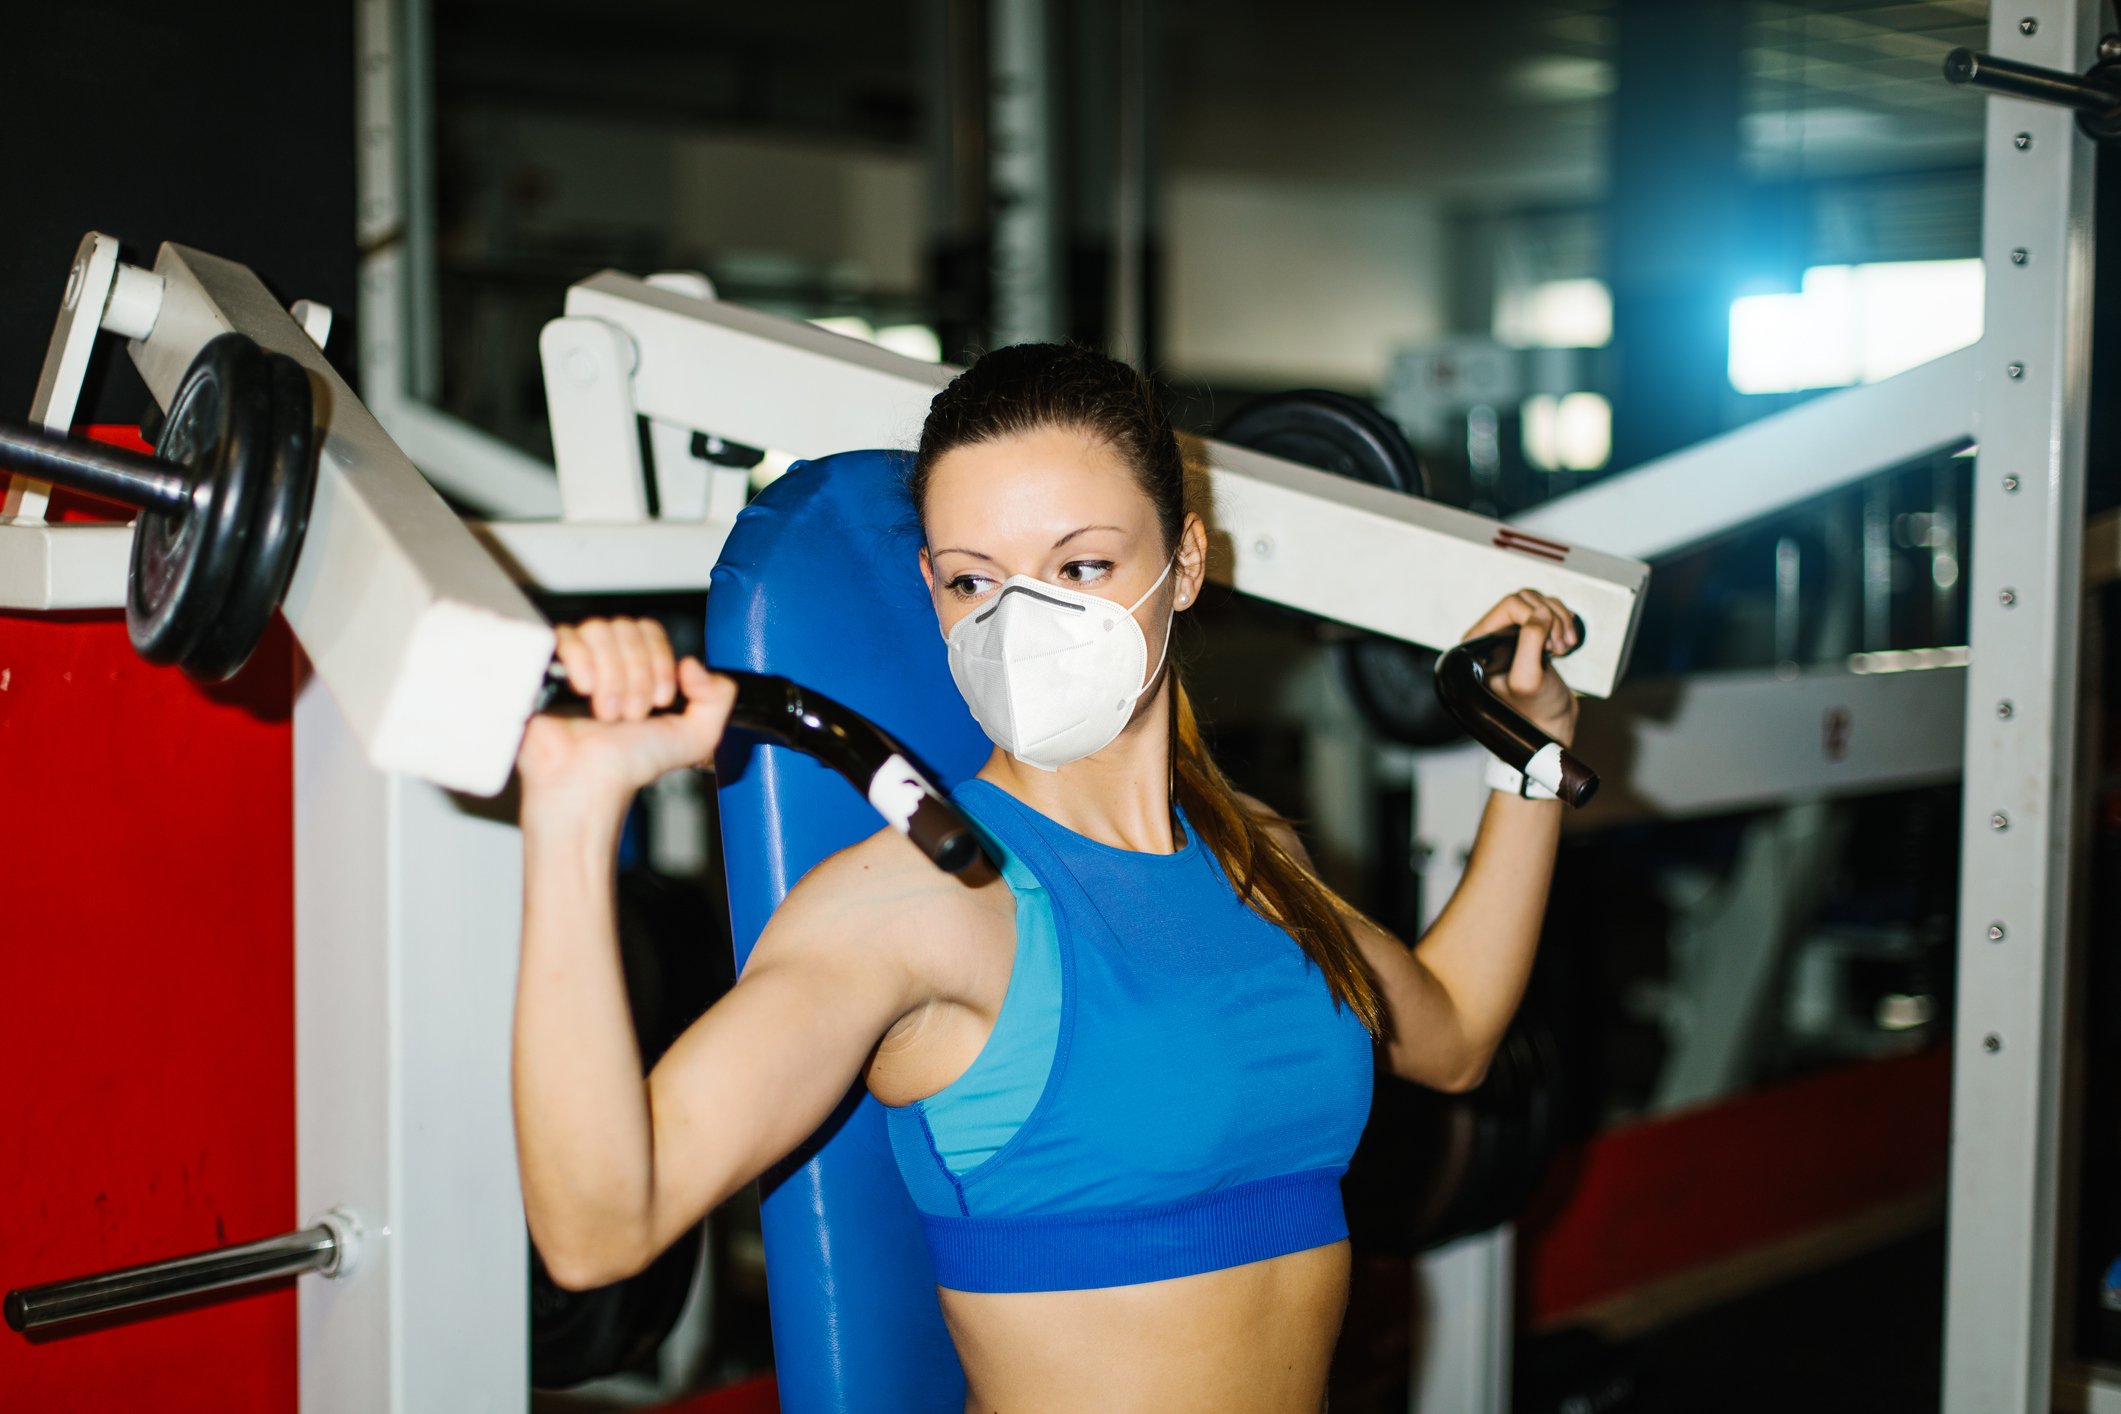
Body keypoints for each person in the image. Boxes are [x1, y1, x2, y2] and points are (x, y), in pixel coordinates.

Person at [512, 344, 1580, 1413]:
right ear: (932, 589)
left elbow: (1453, 1032)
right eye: (975, 579)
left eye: (1080, 566)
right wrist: (571, 812)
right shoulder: (921, 898)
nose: (1021, 622)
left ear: (1188, 561)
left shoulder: (1255, 856)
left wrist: (1527, 759)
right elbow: (603, 1231)